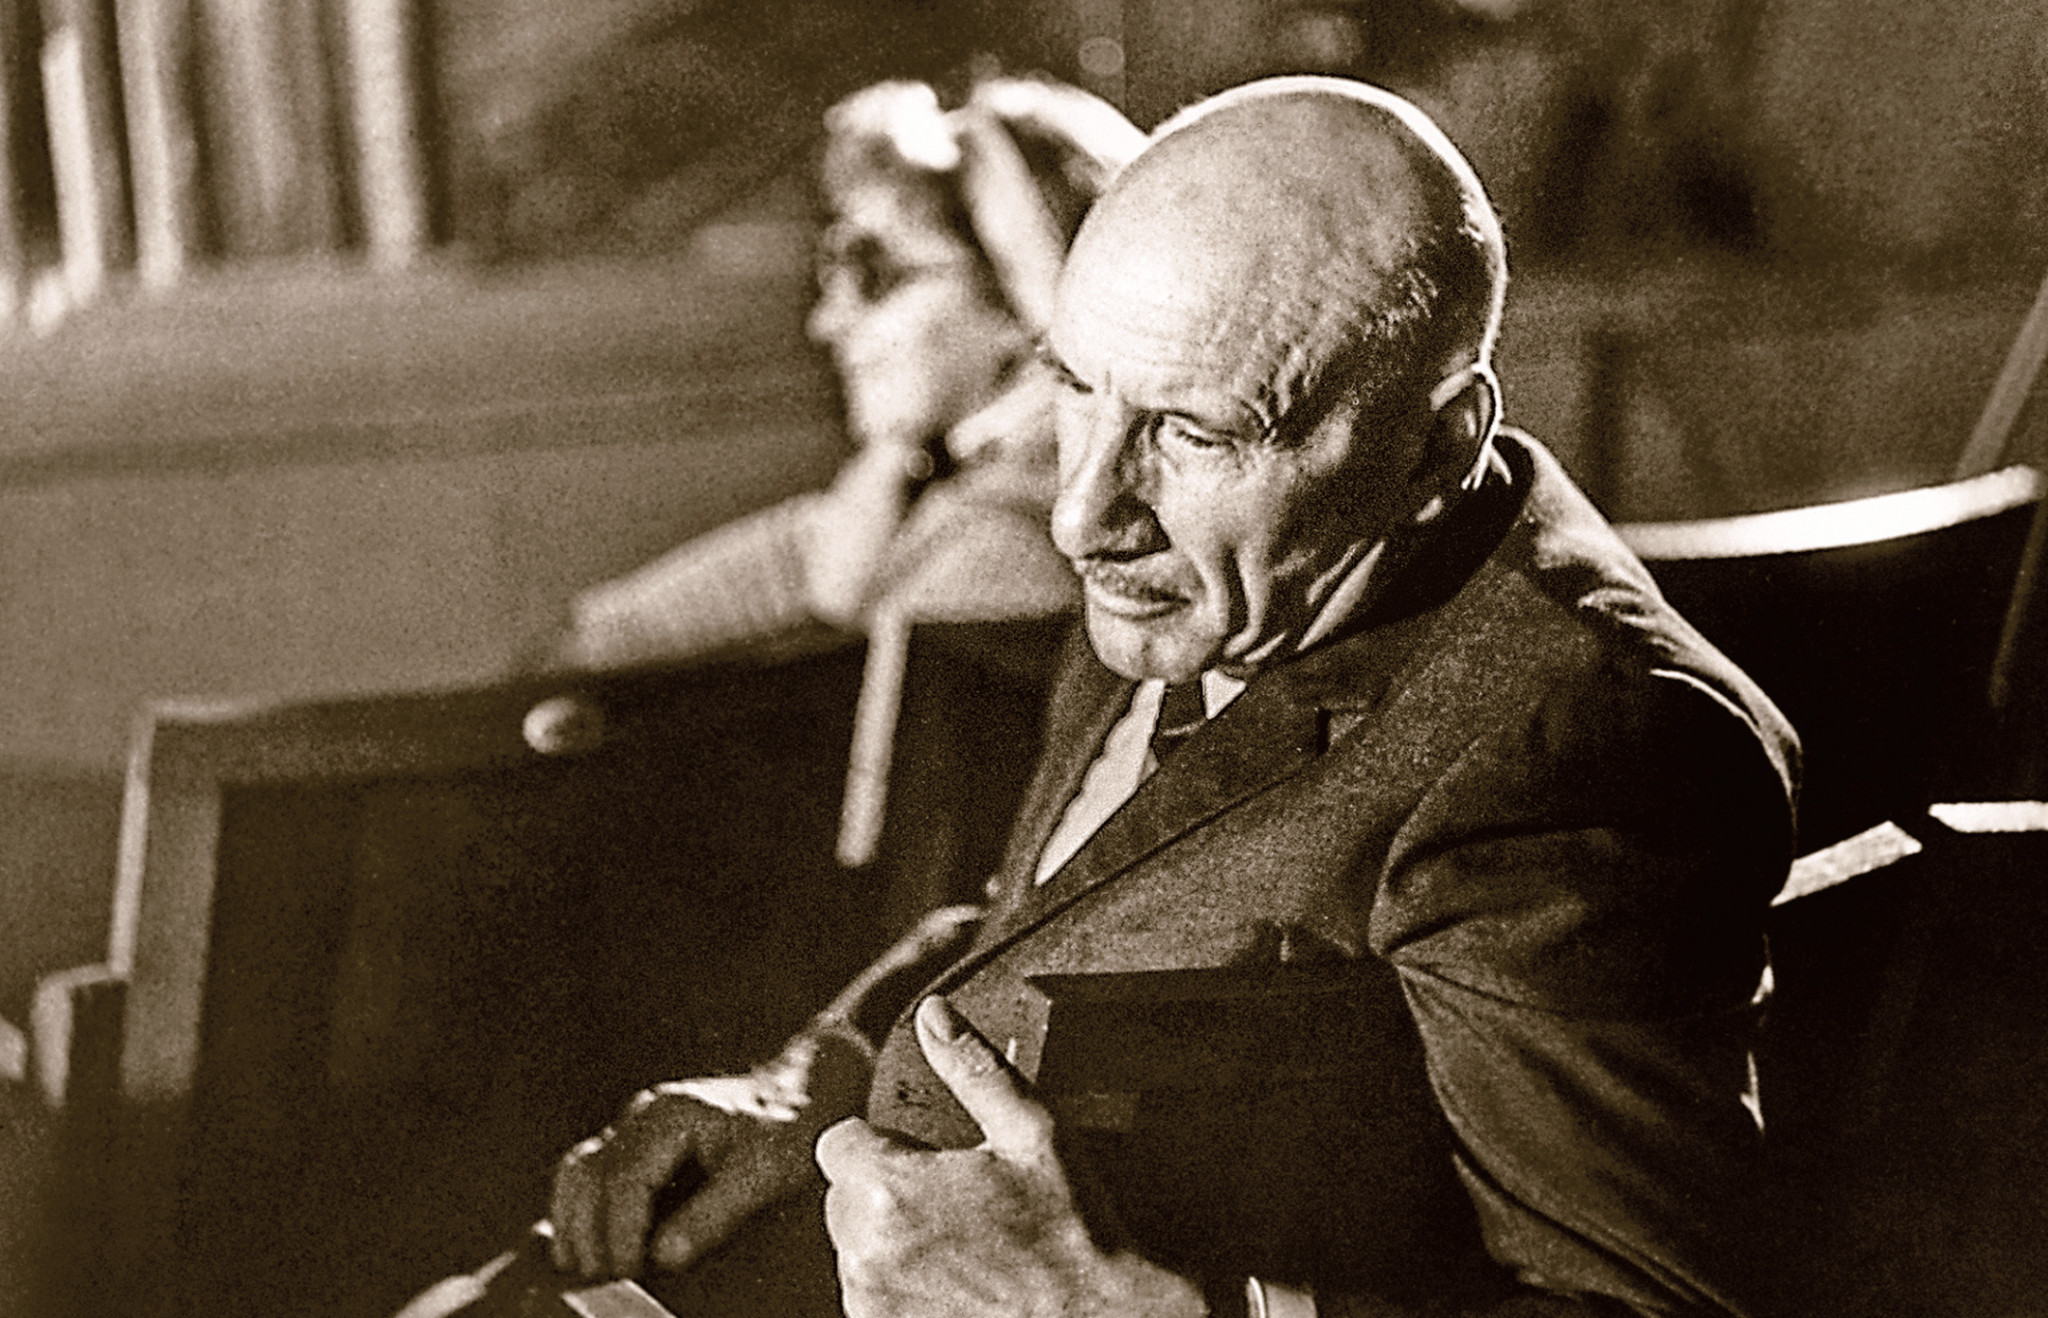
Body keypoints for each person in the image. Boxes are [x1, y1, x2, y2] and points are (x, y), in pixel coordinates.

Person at [544, 75, 1798, 1318]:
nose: (1081, 513)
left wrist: (1116, 1308)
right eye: (1072, 385)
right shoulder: (1206, 581)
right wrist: (820, 1081)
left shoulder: (1577, 747)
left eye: (1195, 433)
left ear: (1433, 445)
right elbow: (1064, 911)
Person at [547, 77, 1146, 673]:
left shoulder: (1001, 548)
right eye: (830, 275)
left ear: (1024, 302)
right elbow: (619, 632)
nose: (826, 322)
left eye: (875, 275)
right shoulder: (922, 478)